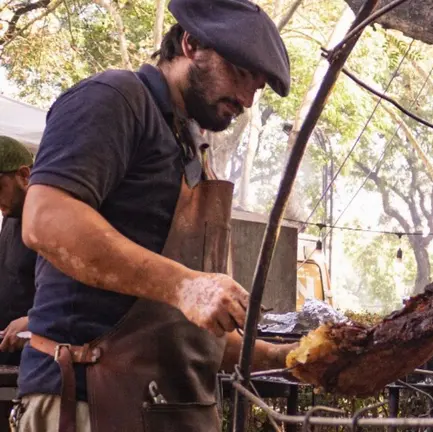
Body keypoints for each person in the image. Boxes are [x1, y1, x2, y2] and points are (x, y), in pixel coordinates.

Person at [14, 1, 294, 431]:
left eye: (256, 88)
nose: (246, 99)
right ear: (191, 43)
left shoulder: (191, 146)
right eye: (239, 74)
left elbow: (190, 332)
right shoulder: (114, 99)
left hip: (171, 410)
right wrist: (184, 285)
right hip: (91, 401)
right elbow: (46, 219)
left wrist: (285, 358)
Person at [0, 136, 37, 432]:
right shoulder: (10, 217)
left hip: (38, 362)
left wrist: (33, 320)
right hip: (6, 355)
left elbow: (75, 288)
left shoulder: (49, 219)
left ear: (24, 175)